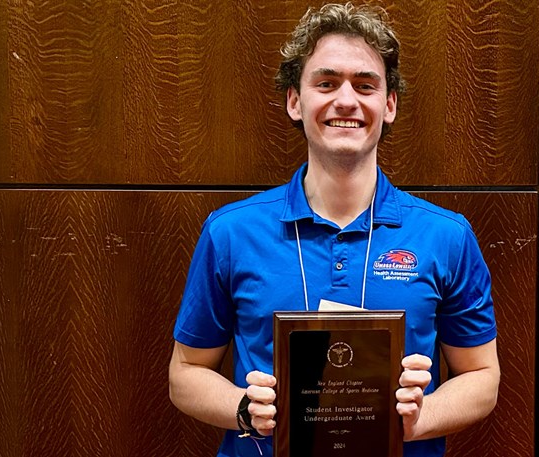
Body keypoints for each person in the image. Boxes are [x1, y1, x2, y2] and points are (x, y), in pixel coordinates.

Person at [169, 3, 500, 457]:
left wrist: (423, 418)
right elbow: (185, 371)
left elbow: (482, 375)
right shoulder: (230, 232)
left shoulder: (446, 236)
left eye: (365, 85)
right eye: (326, 83)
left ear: (389, 105)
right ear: (294, 100)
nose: (347, 100)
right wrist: (246, 409)